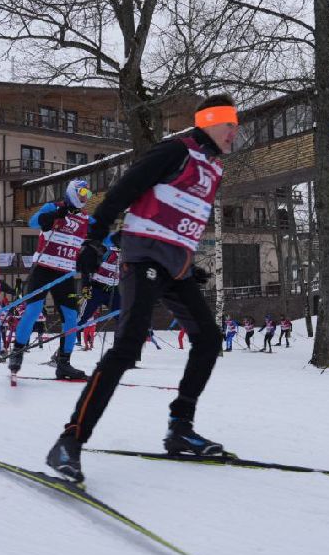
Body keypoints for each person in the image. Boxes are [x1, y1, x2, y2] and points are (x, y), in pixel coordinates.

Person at [45, 94, 238, 482]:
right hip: (143, 259)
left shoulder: (212, 169)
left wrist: (190, 267)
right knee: (127, 347)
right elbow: (125, 190)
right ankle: (70, 440)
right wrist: (95, 238)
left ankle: (180, 427)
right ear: (211, 123)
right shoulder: (176, 150)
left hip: (174, 267)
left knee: (209, 337)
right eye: (231, 125)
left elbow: (180, 220)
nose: (235, 134)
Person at [6, 179, 95, 381]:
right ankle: (17, 354)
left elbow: (106, 234)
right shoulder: (54, 206)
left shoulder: (85, 218)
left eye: (88, 194)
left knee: (71, 318)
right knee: (33, 311)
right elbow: (33, 222)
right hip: (43, 268)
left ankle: (64, 363)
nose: (84, 197)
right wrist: (55, 215)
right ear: (72, 191)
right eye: (82, 192)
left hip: (65, 273)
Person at [77, 241, 121, 345]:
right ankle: (62, 352)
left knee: (122, 319)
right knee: (82, 319)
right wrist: (86, 287)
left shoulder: (129, 251)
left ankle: (118, 350)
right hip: (97, 288)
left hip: (113, 290)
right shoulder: (105, 248)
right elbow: (86, 269)